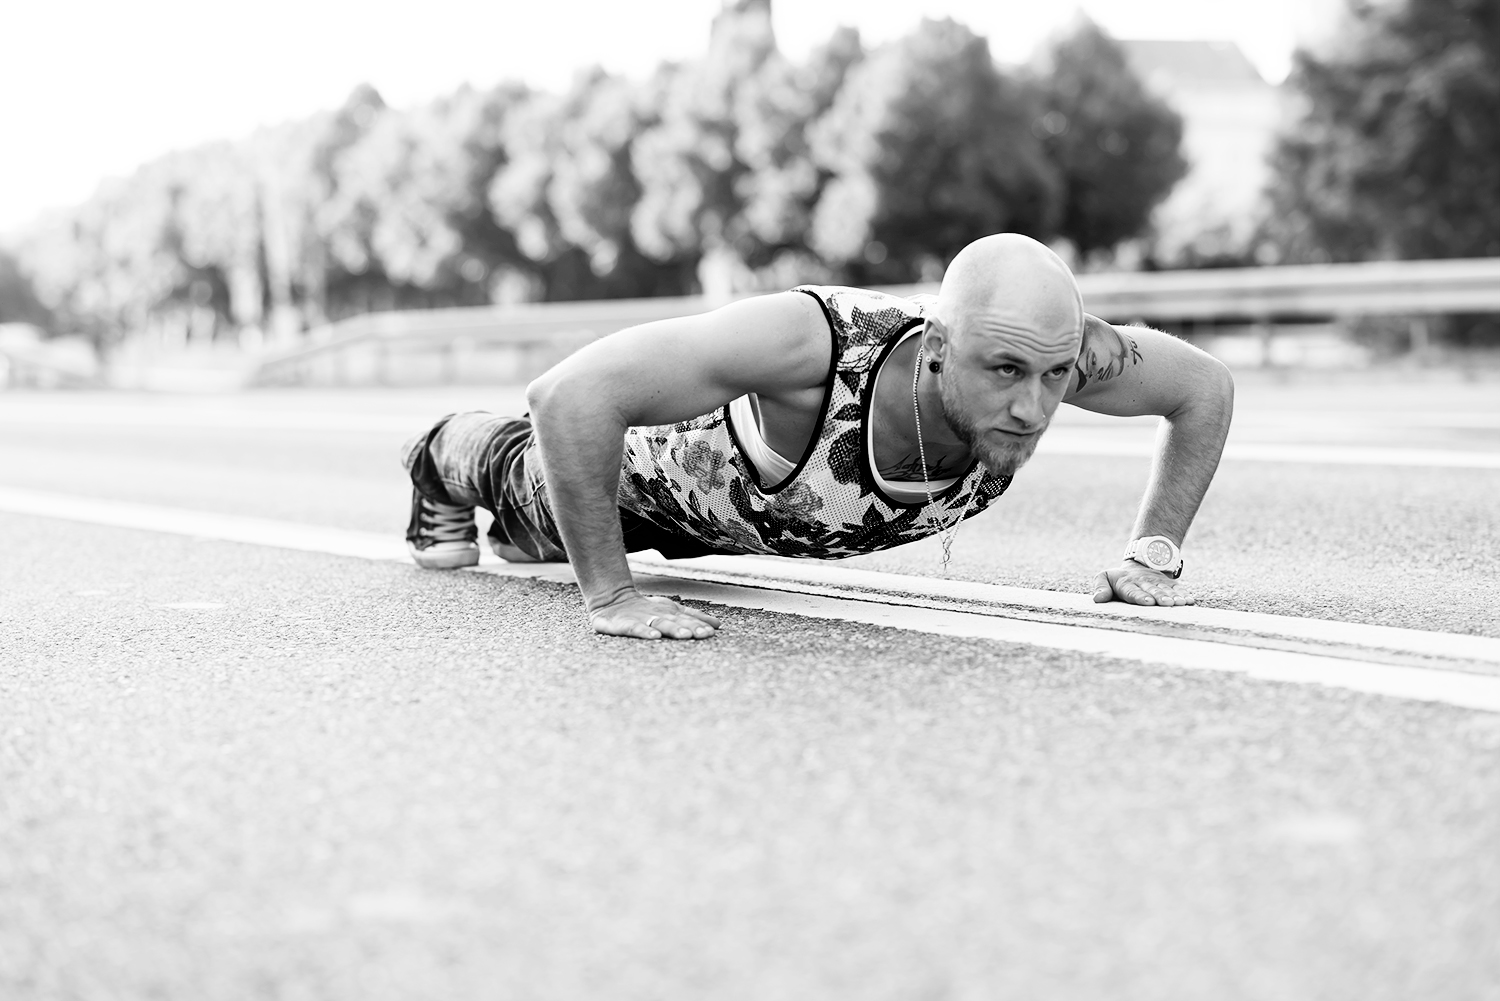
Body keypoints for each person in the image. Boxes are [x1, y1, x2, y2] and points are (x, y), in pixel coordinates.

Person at [401, 233, 1234, 641]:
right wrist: (611, 597)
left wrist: (1152, 549)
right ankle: (439, 453)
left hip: (718, 535)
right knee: (517, 478)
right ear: (940, 350)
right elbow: (569, 393)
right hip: (625, 481)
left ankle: (529, 533)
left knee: (524, 552)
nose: (1034, 406)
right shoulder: (816, 347)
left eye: (1054, 376)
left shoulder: (1055, 350)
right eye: (1006, 371)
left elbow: (1204, 387)